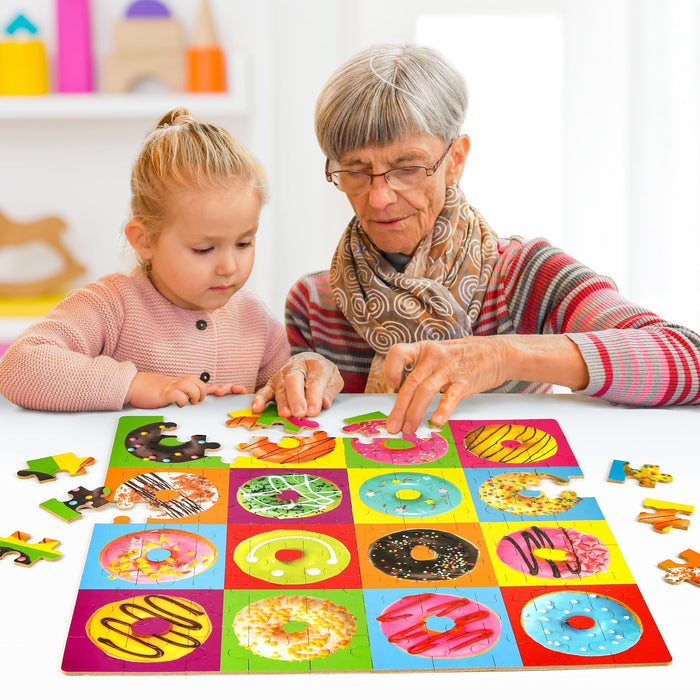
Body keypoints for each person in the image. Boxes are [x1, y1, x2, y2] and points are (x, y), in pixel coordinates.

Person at [258, 43, 700, 433]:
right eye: (356, 170)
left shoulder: (527, 275)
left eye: (408, 167)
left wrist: (499, 355)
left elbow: (688, 359)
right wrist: (300, 376)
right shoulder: (314, 302)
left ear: (456, 159)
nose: (378, 197)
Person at [0, 107, 338, 412]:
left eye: (244, 243)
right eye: (204, 249)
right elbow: (19, 367)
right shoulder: (111, 305)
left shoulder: (254, 320)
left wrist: (301, 374)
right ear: (144, 240)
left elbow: (282, 384)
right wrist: (134, 385)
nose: (229, 267)